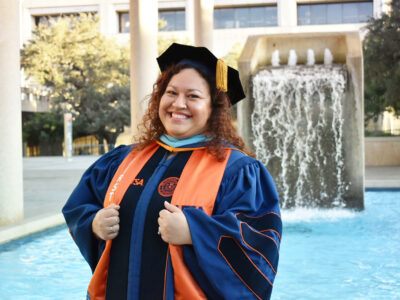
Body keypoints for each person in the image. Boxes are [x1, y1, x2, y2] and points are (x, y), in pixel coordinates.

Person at [62, 43, 282, 300]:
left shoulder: (237, 171)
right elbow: (78, 209)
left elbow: (260, 248)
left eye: (193, 96)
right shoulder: (122, 160)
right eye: (171, 92)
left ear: (214, 108)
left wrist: (195, 232)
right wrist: (94, 224)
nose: (179, 104)